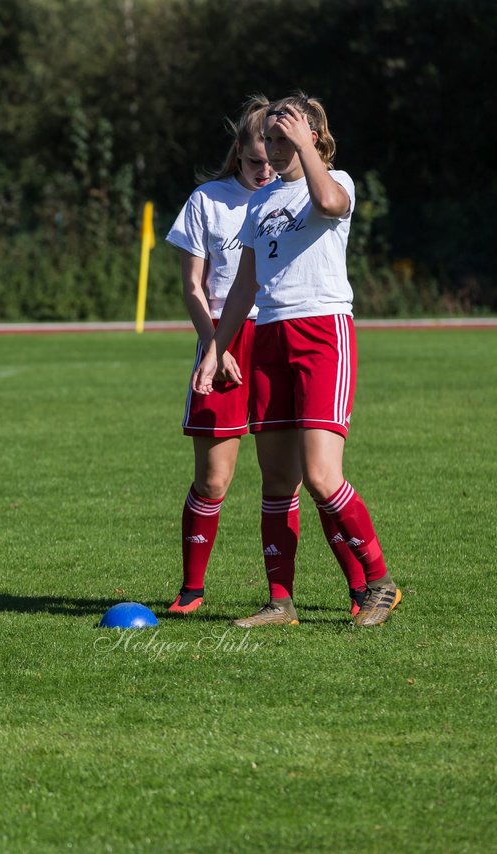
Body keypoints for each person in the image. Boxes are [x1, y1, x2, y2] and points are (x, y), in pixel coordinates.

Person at [193, 92, 401, 628]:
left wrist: (309, 150)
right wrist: (216, 349)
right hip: (270, 338)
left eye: (287, 136)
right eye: (272, 137)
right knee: (277, 479)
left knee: (321, 475)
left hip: (322, 332)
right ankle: (280, 601)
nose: (276, 146)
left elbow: (330, 204)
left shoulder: (337, 182)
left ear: (312, 136)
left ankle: (379, 583)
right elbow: (243, 286)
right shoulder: (261, 203)